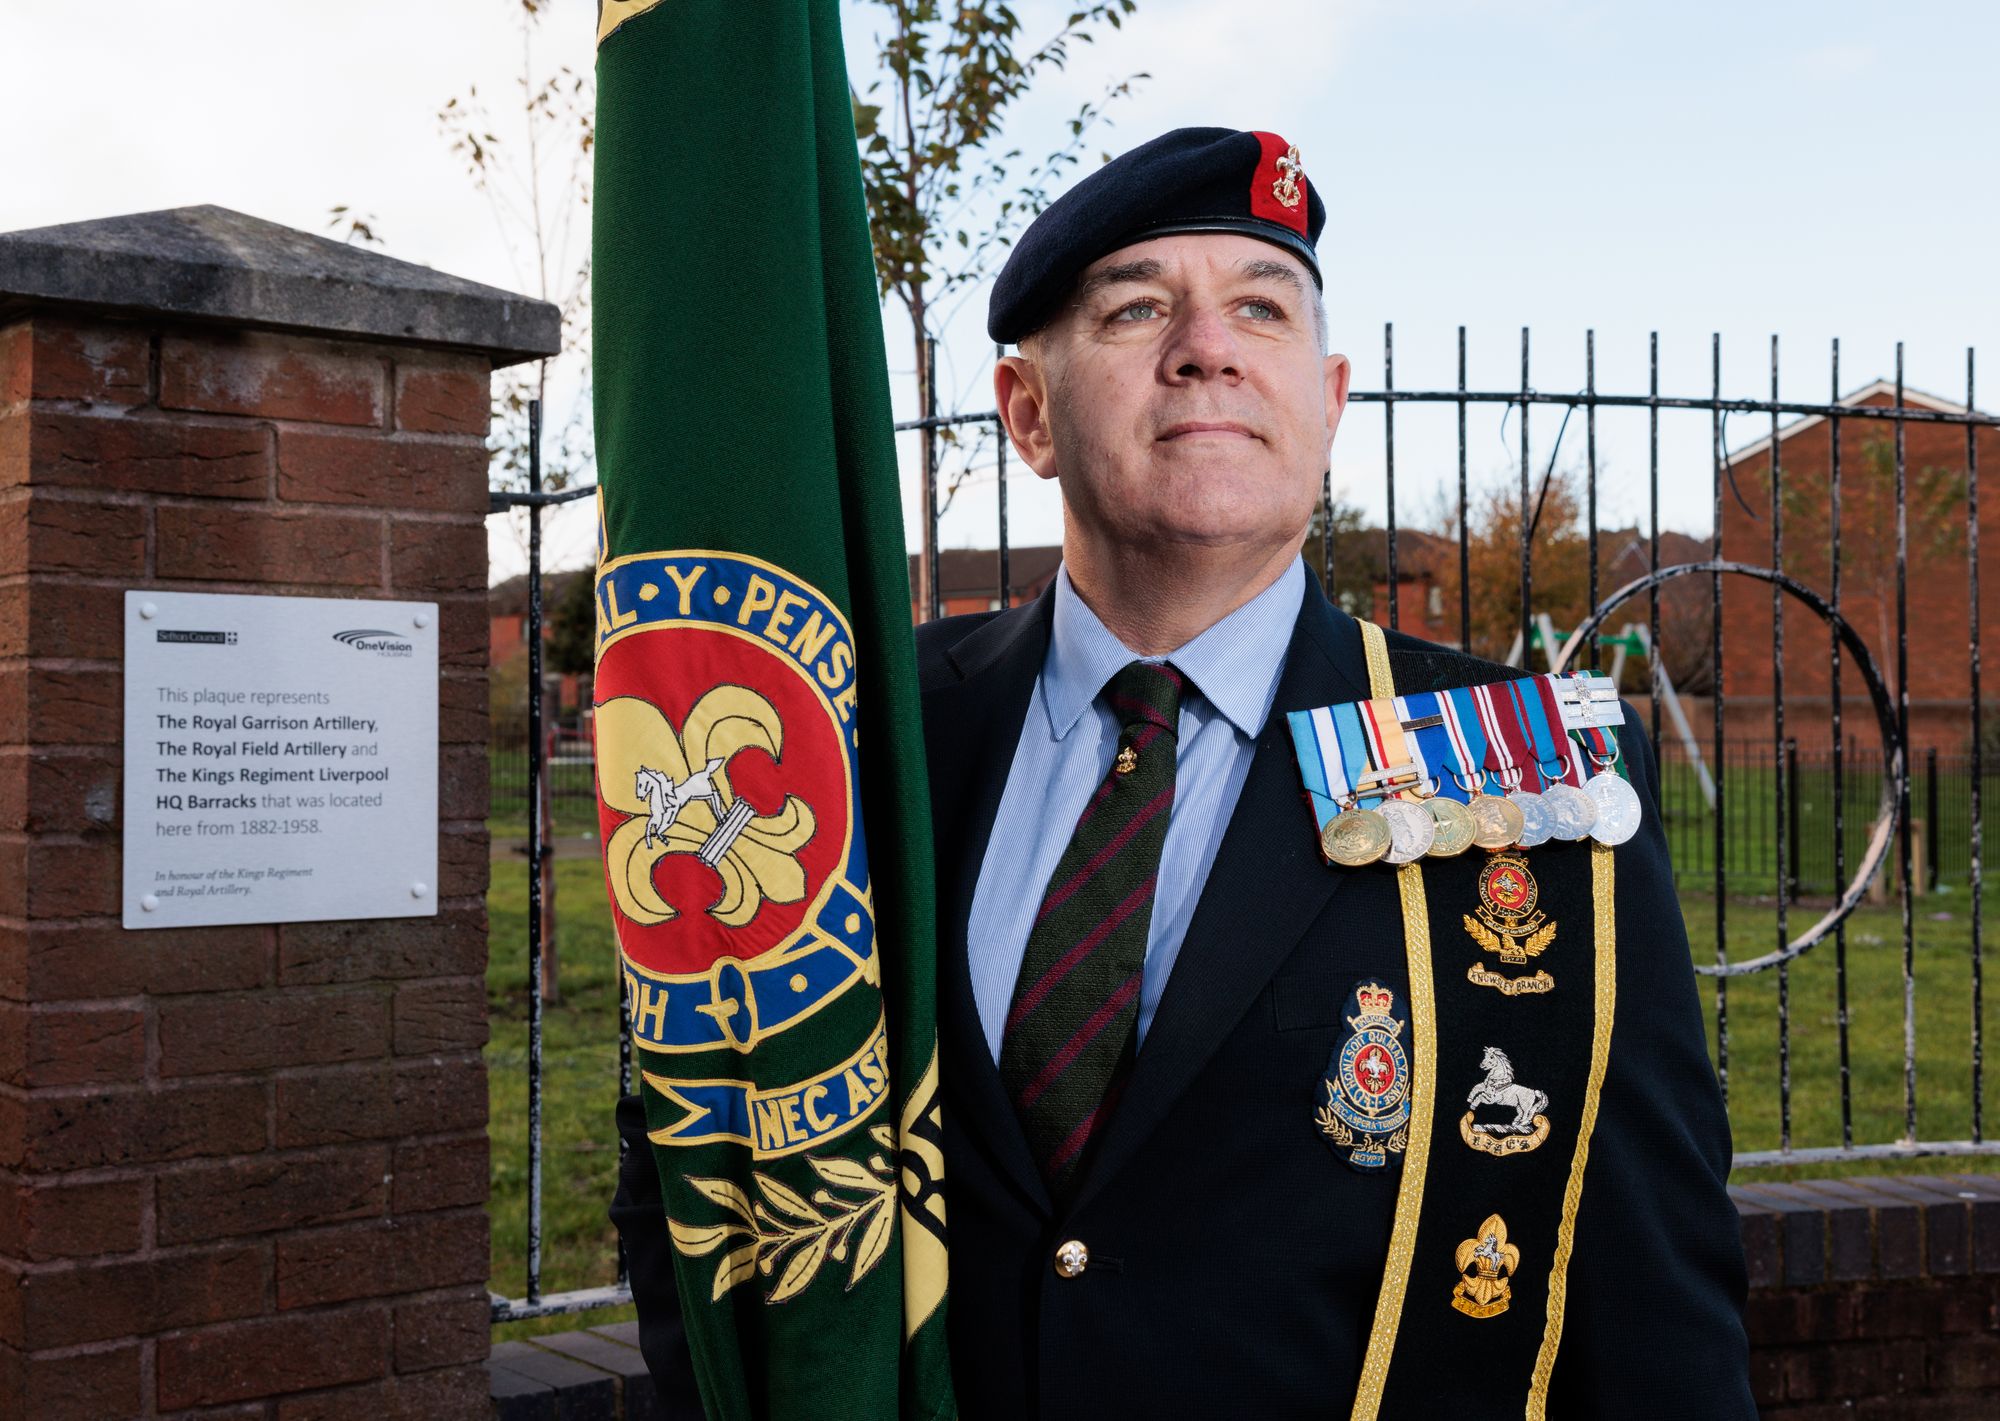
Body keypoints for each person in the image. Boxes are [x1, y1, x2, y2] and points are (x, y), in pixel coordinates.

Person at [611, 126, 1755, 1419]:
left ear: (1328, 402)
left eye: (1258, 308)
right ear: (1028, 415)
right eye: (1138, 307)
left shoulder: (1528, 757)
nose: (1205, 345)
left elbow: (1654, 1291)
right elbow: (700, 1156)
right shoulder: (859, 740)